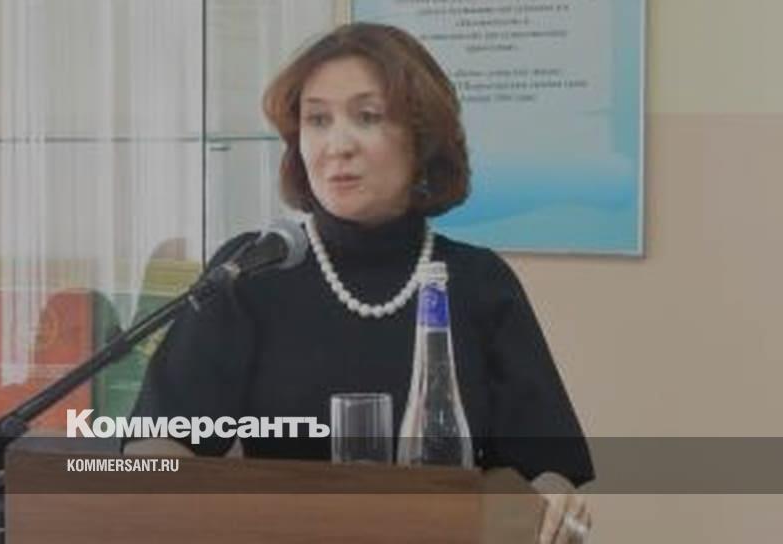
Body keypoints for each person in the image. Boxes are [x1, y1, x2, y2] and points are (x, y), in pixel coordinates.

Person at [127, 22, 594, 544]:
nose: (337, 145)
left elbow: (549, 470)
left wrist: (551, 505)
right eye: (317, 119)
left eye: (367, 117)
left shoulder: (479, 283)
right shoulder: (252, 272)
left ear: (422, 138)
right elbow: (157, 443)